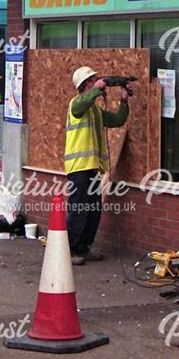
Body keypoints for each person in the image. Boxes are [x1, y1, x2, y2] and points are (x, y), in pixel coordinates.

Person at [64, 66, 130, 266]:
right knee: (79, 209)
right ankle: (73, 250)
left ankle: (84, 247)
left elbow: (118, 120)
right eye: (93, 80)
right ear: (85, 85)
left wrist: (124, 101)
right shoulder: (76, 104)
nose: (97, 82)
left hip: (92, 167)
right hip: (79, 167)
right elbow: (80, 105)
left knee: (93, 210)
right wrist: (97, 89)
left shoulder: (95, 111)